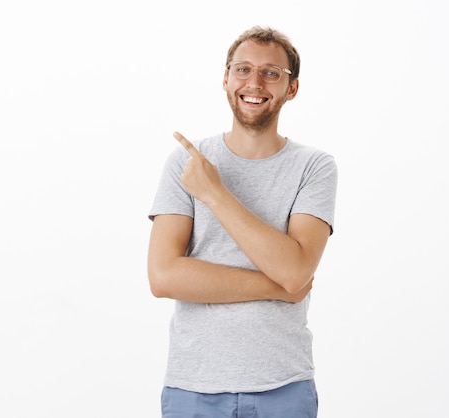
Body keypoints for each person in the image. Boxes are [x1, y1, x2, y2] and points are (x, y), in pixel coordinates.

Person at [147, 26, 338, 418]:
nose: (255, 82)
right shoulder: (188, 162)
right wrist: (279, 287)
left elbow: (295, 269)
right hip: (193, 387)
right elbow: (164, 277)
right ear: (225, 79)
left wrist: (215, 192)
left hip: (283, 387)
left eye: (272, 73)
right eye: (243, 69)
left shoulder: (314, 167)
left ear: (292, 88)